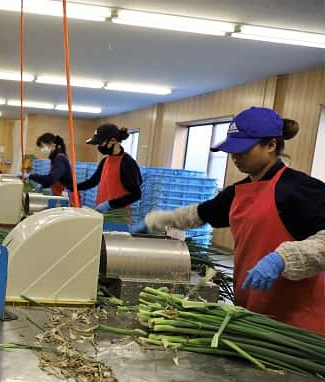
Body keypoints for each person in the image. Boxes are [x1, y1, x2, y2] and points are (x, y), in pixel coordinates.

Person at [131, 107, 325, 333]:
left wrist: (282, 259)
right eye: (232, 151)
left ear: (271, 145)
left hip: (299, 320)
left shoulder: (300, 189)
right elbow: (199, 214)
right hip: (254, 309)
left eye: (243, 150)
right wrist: (158, 220)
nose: (235, 157)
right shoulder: (238, 192)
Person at [78, 124, 142, 218]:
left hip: (117, 218)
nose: (99, 147)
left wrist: (109, 204)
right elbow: (93, 181)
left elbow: (136, 194)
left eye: (100, 143)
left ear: (113, 140)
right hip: (101, 214)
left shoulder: (127, 163)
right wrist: (73, 187)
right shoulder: (105, 161)